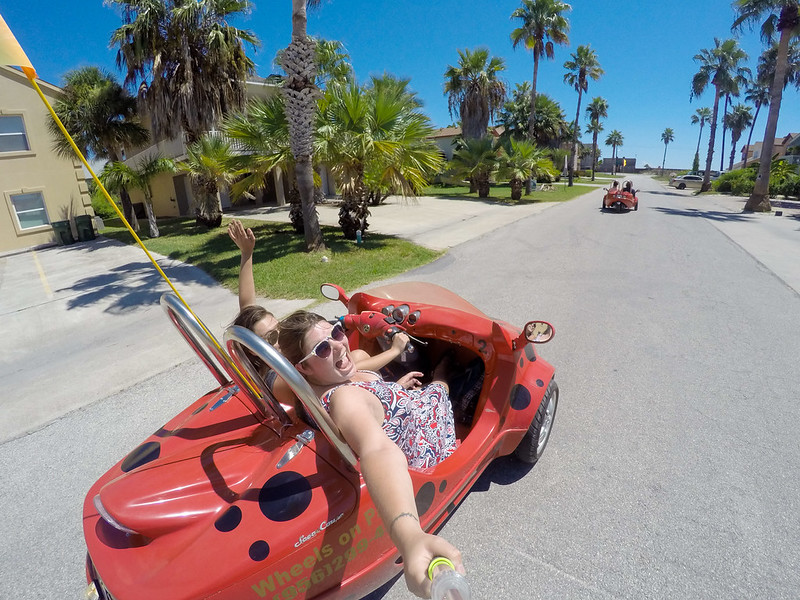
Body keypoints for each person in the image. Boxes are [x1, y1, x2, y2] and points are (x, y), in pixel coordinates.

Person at [278, 311, 464, 598]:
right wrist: (410, 537)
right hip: (426, 431)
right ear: (303, 368)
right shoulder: (344, 398)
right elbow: (376, 449)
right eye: (323, 348)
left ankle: (435, 381)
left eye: (337, 332)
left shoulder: (313, 388)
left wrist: (391, 392)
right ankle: (442, 377)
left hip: (404, 407)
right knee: (441, 387)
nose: (339, 345)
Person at [227, 219, 411, 379]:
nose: (282, 335)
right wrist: (395, 350)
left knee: (360, 354)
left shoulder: (269, 360)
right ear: (253, 349)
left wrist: (247, 253)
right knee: (359, 361)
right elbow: (349, 371)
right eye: (273, 336)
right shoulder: (284, 373)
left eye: (279, 327)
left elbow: (247, 307)